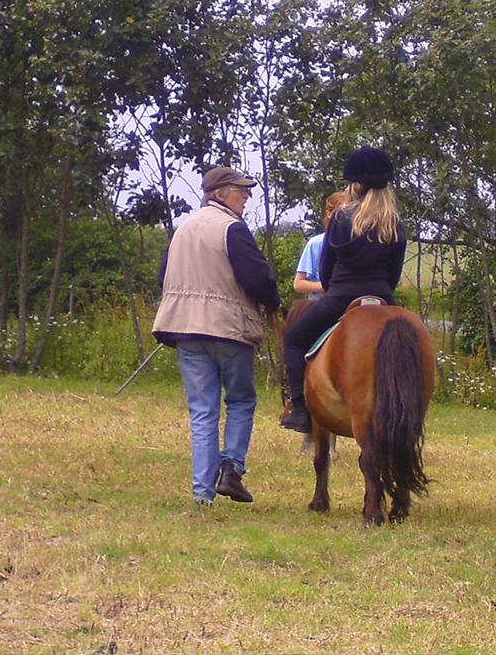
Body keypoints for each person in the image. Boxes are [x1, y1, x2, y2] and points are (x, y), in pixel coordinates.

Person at [152, 167, 281, 506]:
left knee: (202, 411)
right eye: (241, 190)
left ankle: (202, 494)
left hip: (185, 329)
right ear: (219, 193)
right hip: (229, 329)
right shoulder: (232, 229)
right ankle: (231, 469)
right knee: (240, 401)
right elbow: (258, 279)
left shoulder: (183, 229)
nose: (247, 196)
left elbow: (162, 277)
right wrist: (273, 302)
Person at [280, 147, 407, 434]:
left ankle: (299, 409)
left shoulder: (340, 218)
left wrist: (332, 288)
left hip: (340, 296)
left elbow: (326, 270)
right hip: (383, 297)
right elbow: (394, 274)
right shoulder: (395, 224)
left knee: (294, 338)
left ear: (356, 184)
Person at [293, 191, 349, 299]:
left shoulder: (358, 242)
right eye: (340, 214)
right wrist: (328, 287)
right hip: (323, 300)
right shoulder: (316, 243)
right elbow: (298, 284)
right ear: (329, 214)